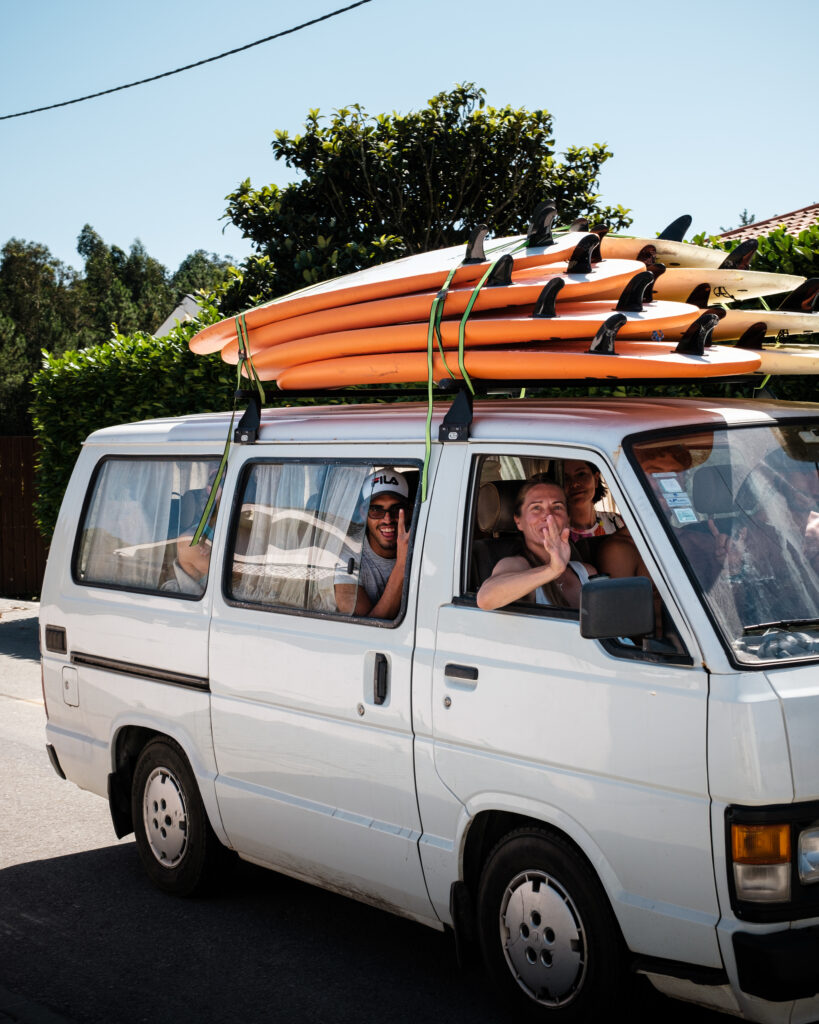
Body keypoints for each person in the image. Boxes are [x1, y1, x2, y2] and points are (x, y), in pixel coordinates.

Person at [477, 477, 596, 611]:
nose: (548, 515)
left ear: (567, 519)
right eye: (536, 508)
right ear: (518, 521)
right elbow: (485, 598)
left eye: (557, 507)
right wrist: (553, 570)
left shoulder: (586, 572)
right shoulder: (515, 565)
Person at [334, 469, 411, 618]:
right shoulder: (349, 551)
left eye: (396, 510)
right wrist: (402, 565)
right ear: (363, 513)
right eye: (376, 510)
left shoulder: (423, 544)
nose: (387, 519)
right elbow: (367, 629)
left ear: (408, 512)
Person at [563, 459, 623, 542]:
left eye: (581, 474)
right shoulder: (553, 533)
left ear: (596, 479)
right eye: (565, 478)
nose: (574, 484)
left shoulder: (618, 523)